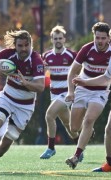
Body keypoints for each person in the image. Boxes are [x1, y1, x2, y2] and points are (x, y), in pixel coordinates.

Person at [73, 23, 111, 172]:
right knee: (110, 130)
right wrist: (84, 81)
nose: (110, 42)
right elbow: (106, 78)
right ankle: (110, 165)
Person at [0, 30, 45, 172]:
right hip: (8, 97)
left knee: (7, 142)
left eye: (26, 45)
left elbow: (40, 87)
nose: (23, 49)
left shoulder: (36, 60)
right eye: (20, 46)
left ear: (30, 44)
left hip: (25, 106)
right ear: (15, 45)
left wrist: (26, 83)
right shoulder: (8, 54)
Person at [65, 22, 111, 169]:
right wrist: (71, 91)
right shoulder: (87, 49)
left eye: (103, 38)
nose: (100, 41)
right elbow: (73, 71)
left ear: (108, 38)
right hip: (82, 89)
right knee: (74, 128)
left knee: (89, 120)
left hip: (100, 91)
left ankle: (76, 156)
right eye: (97, 37)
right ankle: (88, 132)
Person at [40, 25, 79, 159]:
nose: (58, 40)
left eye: (60, 38)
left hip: (66, 94)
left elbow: (80, 70)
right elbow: (41, 74)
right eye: (55, 38)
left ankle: (51, 148)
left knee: (49, 115)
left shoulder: (71, 55)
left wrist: (75, 87)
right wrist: (43, 70)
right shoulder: (46, 56)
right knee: (69, 126)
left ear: (64, 39)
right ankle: (79, 150)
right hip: (54, 94)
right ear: (52, 39)